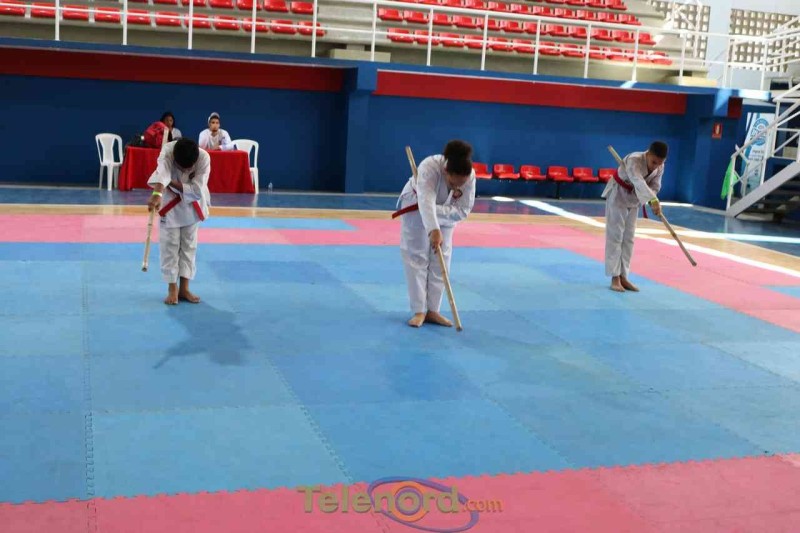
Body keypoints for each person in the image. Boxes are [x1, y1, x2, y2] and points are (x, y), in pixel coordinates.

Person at [394, 140, 476, 328]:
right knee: (417, 257)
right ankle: (419, 310)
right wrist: (433, 229)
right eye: (454, 183)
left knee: (442, 259)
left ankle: (433, 310)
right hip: (416, 207)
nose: (457, 188)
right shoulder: (429, 167)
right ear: (447, 172)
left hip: (446, 213)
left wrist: (436, 215)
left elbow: (463, 210)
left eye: (461, 184)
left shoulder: (469, 175)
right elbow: (425, 201)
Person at [146, 138, 211, 305]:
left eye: (189, 168)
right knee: (170, 246)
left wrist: (172, 183)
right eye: (182, 167)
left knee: (189, 246)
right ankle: (172, 288)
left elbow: (197, 189)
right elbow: (162, 173)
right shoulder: (167, 152)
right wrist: (157, 194)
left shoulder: (204, 157)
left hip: (192, 205)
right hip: (170, 204)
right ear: (175, 158)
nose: (186, 171)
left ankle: (184, 288)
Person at [602, 141, 667, 293]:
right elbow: (638, 181)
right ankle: (615, 277)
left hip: (634, 198)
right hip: (618, 194)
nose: (656, 166)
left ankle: (624, 276)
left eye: (660, 163)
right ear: (648, 153)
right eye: (654, 162)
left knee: (629, 238)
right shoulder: (634, 160)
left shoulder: (660, 166)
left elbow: (655, 186)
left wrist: (653, 199)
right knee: (616, 236)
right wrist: (652, 199)